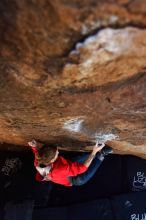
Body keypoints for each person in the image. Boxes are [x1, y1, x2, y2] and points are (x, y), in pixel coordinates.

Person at [28, 140, 113, 187]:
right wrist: (94, 152)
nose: (58, 151)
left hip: (64, 167)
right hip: (71, 180)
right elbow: (83, 168)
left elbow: (37, 154)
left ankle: (94, 153)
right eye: (56, 152)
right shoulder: (60, 169)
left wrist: (34, 146)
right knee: (82, 178)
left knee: (79, 158)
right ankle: (101, 154)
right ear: (52, 160)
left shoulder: (38, 161)